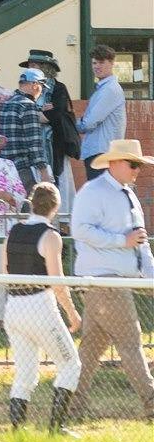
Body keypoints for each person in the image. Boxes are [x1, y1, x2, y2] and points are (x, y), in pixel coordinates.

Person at [71, 137, 154, 416]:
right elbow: (80, 230)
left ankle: (71, 403)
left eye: (139, 166)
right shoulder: (93, 192)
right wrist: (121, 241)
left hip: (113, 282)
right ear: (115, 163)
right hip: (104, 281)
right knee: (130, 341)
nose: (136, 171)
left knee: (91, 350)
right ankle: (151, 401)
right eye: (133, 164)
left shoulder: (128, 194)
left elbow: (140, 241)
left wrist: (150, 275)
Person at [4, 182, 82, 431]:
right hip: (39, 306)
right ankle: (56, 427)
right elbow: (56, 281)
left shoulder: (13, 231)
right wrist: (73, 313)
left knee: (25, 372)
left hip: (13, 306)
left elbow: (5, 270)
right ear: (55, 207)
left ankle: (17, 430)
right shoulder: (50, 236)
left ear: (32, 203)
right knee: (70, 364)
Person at [77, 44, 126, 181]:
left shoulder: (109, 89)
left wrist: (69, 122)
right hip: (102, 152)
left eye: (101, 62)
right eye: (94, 62)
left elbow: (89, 123)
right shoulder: (104, 88)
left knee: (102, 197)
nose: (97, 66)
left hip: (103, 153)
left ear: (111, 63)